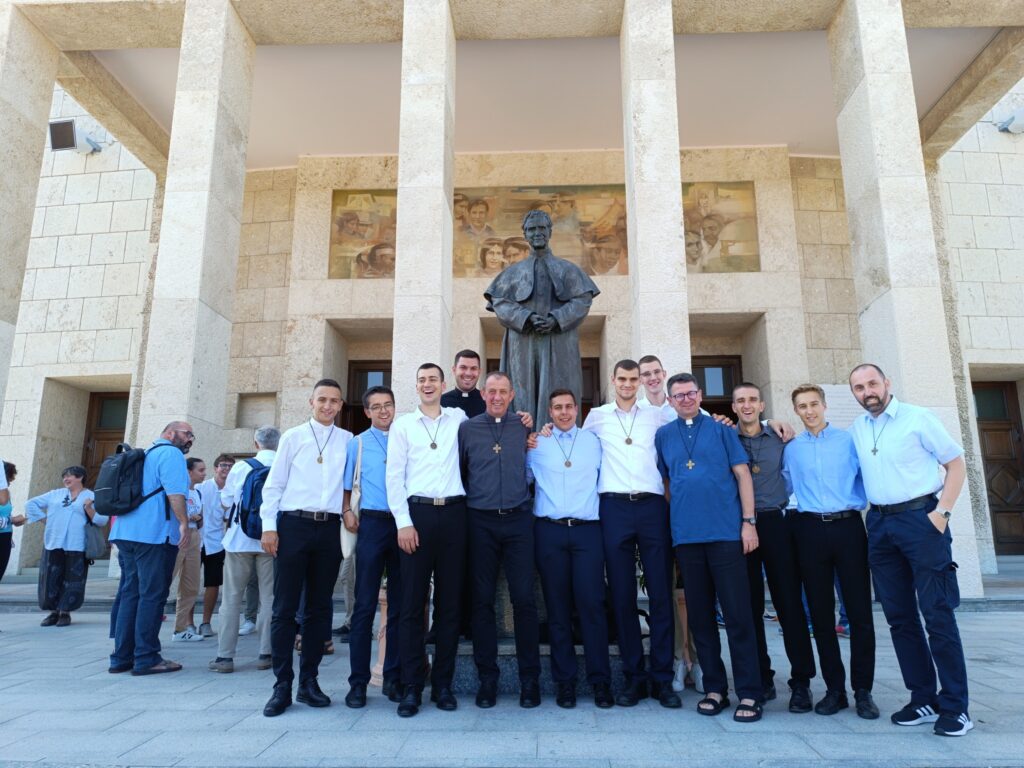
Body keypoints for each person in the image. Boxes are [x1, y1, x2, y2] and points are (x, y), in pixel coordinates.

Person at [848, 364, 972, 737]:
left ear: (886, 383)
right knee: (900, 618)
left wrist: (942, 513)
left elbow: (955, 464)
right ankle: (923, 698)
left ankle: (956, 707)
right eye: (859, 387)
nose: (867, 391)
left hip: (922, 520)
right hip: (880, 525)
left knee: (937, 614)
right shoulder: (858, 428)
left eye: (872, 383)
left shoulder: (918, 418)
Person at [655, 373, 763, 722]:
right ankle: (715, 689)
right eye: (679, 395)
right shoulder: (663, 435)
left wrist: (748, 522)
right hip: (687, 539)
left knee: (737, 616)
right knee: (700, 619)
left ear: (700, 395)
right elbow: (668, 482)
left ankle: (750, 692)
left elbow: (743, 475)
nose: (685, 399)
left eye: (690, 393)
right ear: (670, 401)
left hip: (726, 535)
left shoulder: (722, 430)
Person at [582, 359, 678, 708]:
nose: (627, 384)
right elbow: (575, 446)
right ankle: (633, 677)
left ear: (640, 382)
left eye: (633, 379)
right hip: (613, 508)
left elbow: (692, 420)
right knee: (622, 595)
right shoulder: (597, 416)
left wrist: (764, 421)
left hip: (652, 507)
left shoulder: (657, 415)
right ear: (613, 380)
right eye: (622, 378)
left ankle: (663, 679)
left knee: (660, 593)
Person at [783, 384, 878, 719]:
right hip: (809, 530)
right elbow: (786, 486)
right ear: (796, 410)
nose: (809, 411)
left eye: (814, 404)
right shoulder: (791, 449)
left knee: (859, 613)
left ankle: (863, 691)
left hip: (848, 527)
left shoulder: (848, 441)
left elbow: (868, 478)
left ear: (824, 405)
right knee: (821, 615)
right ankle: (835, 690)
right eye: (802, 406)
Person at [260, 380, 352, 717]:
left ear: (341, 405)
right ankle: (282, 684)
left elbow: (351, 486)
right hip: (293, 525)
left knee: (319, 608)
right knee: (284, 608)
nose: (328, 406)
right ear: (311, 401)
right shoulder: (293, 437)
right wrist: (269, 526)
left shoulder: (348, 440)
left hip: (329, 529)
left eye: (334, 401)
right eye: (322, 399)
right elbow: (274, 485)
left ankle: (309, 681)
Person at [386, 363, 468, 717]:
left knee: (449, 606)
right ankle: (412, 686)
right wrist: (403, 523)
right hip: (416, 517)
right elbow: (394, 477)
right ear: (416, 386)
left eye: (433, 379)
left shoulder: (459, 419)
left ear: (443, 384)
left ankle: (443, 685)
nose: (427, 384)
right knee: (411, 606)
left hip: (454, 516)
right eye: (421, 380)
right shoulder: (403, 425)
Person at [731, 383, 816, 712]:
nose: (747, 405)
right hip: (742, 527)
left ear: (762, 405)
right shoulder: (727, 438)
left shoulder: (781, 437)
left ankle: (801, 682)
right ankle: (761, 677)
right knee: (749, 606)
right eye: (741, 401)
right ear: (734, 407)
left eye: (753, 400)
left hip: (776, 523)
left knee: (789, 604)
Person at [529, 388, 614, 709]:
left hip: (587, 532)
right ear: (549, 412)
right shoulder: (536, 444)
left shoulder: (594, 441)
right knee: (557, 609)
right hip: (549, 531)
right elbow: (524, 479)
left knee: (592, 606)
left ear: (577, 409)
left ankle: (600, 681)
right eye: (557, 408)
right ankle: (565, 683)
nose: (563, 412)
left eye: (568, 407)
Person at [460, 371, 540, 709]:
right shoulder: (467, 428)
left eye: (502, 391)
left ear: (511, 395)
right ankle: (487, 680)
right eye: (491, 391)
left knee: (524, 600)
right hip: (480, 521)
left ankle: (529, 681)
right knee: (482, 601)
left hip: (519, 520)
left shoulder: (523, 426)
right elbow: (461, 471)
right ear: (483, 394)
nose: (496, 397)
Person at [485, 208, 600, 427]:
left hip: (559, 340)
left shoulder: (568, 269)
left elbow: (582, 299)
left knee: (559, 388)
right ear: (525, 234)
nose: (537, 233)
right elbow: (499, 302)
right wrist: (525, 317)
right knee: (521, 391)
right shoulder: (512, 273)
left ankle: (558, 437)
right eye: (531, 229)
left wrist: (557, 318)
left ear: (550, 231)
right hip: (522, 340)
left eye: (541, 228)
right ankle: (521, 436)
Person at [109, 422, 193, 676]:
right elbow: (175, 493)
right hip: (153, 534)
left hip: (125, 531)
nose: (190, 439)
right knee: (152, 595)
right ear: (170, 433)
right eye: (186, 433)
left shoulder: (144, 455)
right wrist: (184, 523)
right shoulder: (170, 453)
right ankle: (146, 657)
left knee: (130, 593)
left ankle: (121, 657)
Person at [343, 386, 404, 708]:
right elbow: (346, 485)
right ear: (366, 411)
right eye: (377, 406)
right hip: (372, 524)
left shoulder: (405, 438)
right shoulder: (358, 443)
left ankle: (393, 677)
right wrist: (346, 511)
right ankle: (358, 682)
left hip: (403, 524)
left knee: (399, 604)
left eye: (388, 405)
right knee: (365, 605)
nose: (384, 411)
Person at [209, 426, 279, 674]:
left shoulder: (241, 468)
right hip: (271, 539)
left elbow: (226, 501)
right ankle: (266, 653)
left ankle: (225, 657)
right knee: (269, 598)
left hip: (239, 540)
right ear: (278, 444)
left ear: (256, 443)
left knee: (232, 597)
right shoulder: (283, 465)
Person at [22, 466, 107, 627]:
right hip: (54, 542)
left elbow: (102, 520)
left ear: (80, 477)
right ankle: (53, 612)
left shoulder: (92, 496)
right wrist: (45, 520)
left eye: (69, 476)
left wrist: (88, 508)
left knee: (73, 579)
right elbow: (30, 504)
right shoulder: (55, 494)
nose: (66, 479)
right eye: (64, 477)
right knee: (50, 578)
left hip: (77, 544)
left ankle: (65, 612)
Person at [196, 454, 234, 637]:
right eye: (223, 465)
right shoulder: (201, 487)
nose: (226, 469)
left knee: (213, 584)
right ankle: (187, 623)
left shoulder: (231, 492)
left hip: (216, 543)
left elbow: (228, 519)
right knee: (190, 584)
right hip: (196, 542)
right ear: (216, 468)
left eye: (230, 466)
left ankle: (206, 622)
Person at [170, 457, 207, 642]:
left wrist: (198, 519)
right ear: (189, 471)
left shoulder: (197, 492)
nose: (204, 474)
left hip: (194, 537)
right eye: (200, 470)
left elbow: (201, 517)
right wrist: (186, 518)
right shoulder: (178, 490)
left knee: (191, 585)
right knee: (166, 580)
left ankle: (181, 629)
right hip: (178, 536)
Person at [441, 349, 485, 418]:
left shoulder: (488, 402)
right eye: (463, 367)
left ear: (479, 372)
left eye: (473, 368)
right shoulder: (441, 402)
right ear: (454, 370)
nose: (468, 373)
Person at [0, 461, 18, 584]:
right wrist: (12, 520)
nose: (11, 481)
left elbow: (5, 515)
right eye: (10, 478)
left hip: (5, 537)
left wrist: (13, 520)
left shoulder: (7, 494)